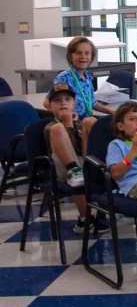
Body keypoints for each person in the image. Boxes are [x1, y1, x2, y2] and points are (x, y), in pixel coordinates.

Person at [43, 82, 109, 234]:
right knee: (59, 128)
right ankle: (85, 218)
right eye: (57, 100)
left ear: (73, 104)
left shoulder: (79, 123)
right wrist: (67, 124)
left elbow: (82, 148)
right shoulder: (51, 127)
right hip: (63, 168)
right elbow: (71, 147)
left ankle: (100, 210)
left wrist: (75, 125)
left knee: (90, 121)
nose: (63, 103)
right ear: (50, 106)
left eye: (67, 99)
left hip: (85, 163)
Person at [48, 36, 114, 152]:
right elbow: (47, 101)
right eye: (78, 53)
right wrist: (66, 115)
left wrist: (113, 112)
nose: (83, 57)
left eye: (87, 53)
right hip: (72, 123)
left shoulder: (87, 77)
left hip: (86, 121)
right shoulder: (64, 77)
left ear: (91, 57)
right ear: (70, 56)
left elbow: (92, 103)